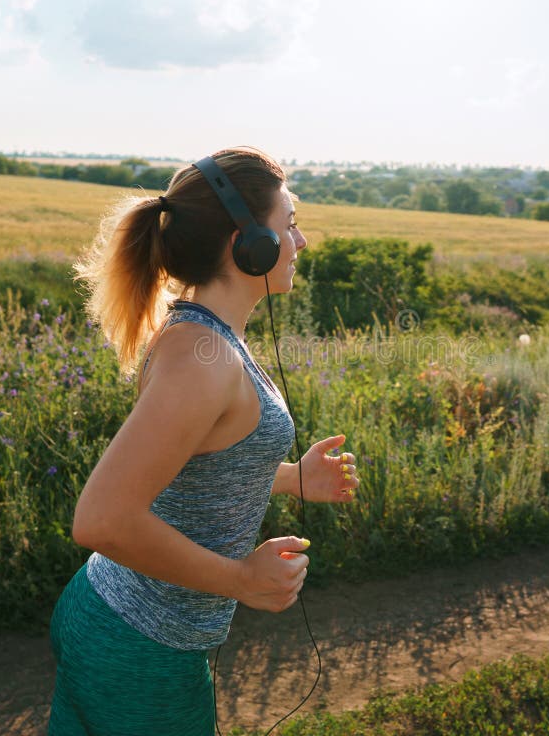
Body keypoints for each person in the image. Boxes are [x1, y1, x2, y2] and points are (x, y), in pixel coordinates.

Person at [47, 146, 360, 735]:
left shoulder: (207, 339)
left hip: (127, 630)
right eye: (288, 226)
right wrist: (243, 579)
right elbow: (101, 520)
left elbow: (199, 459)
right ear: (249, 247)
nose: (301, 243)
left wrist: (293, 476)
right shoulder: (202, 359)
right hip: (141, 647)